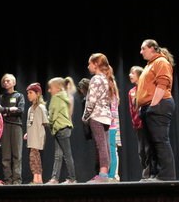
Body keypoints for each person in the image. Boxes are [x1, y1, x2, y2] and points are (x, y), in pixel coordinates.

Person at [136, 39, 176, 181]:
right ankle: (154, 174)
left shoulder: (161, 62)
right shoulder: (150, 65)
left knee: (160, 141)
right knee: (151, 144)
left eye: (143, 48)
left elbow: (162, 84)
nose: (141, 52)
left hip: (160, 104)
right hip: (149, 107)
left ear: (152, 48)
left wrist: (153, 105)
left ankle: (167, 176)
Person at [82, 53, 116, 183]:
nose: (88, 66)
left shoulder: (96, 79)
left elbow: (91, 101)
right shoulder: (106, 79)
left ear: (96, 64)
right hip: (106, 117)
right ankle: (104, 173)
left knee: (101, 145)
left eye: (90, 63)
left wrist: (85, 116)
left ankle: (103, 174)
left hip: (97, 116)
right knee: (105, 145)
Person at [46, 77, 77, 184]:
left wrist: (49, 124)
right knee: (60, 154)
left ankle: (72, 178)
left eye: (50, 88)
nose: (49, 91)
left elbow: (52, 114)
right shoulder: (66, 96)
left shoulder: (56, 97)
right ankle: (55, 178)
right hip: (65, 127)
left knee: (66, 155)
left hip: (60, 128)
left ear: (57, 88)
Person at [0, 73, 25, 185]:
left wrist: (5, 111)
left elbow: (20, 110)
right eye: (4, 81)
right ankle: (8, 180)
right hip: (4, 127)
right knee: (6, 156)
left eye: (8, 81)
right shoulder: (0, 97)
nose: (6, 82)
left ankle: (17, 180)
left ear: (14, 82)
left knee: (17, 155)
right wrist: (10, 109)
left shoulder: (19, 96)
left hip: (16, 126)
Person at [128, 65, 152, 180]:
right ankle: (146, 172)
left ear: (139, 75)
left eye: (132, 73)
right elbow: (131, 109)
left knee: (148, 149)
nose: (130, 75)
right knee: (141, 151)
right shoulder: (131, 92)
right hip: (138, 125)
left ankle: (148, 174)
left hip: (147, 122)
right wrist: (134, 122)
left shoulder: (146, 87)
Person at [23, 83, 49, 184]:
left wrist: (38, 132)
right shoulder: (30, 108)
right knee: (34, 158)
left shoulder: (41, 107)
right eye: (28, 93)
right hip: (32, 137)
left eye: (30, 93)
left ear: (37, 93)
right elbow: (30, 123)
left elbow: (45, 122)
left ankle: (37, 178)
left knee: (34, 158)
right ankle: (37, 178)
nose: (28, 95)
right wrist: (28, 133)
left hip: (38, 137)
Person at [108, 78, 122, 182]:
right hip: (112, 127)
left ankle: (113, 175)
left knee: (112, 151)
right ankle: (112, 174)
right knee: (111, 151)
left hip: (111, 127)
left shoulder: (112, 98)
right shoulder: (113, 97)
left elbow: (112, 115)